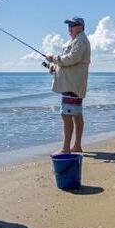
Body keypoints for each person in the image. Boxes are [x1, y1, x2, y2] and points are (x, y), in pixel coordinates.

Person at [45, 17, 91, 154]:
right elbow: (69, 62)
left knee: (66, 115)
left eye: (72, 25)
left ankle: (66, 148)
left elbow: (72, 58)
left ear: (80, 26)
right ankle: (76, 145)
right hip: (73, 84)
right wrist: (54, 66)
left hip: (72, 86)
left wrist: (54, 58)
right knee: (76, 114)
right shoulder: (77, 40)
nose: (69, 28)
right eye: (68, 25)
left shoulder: (81, 40)